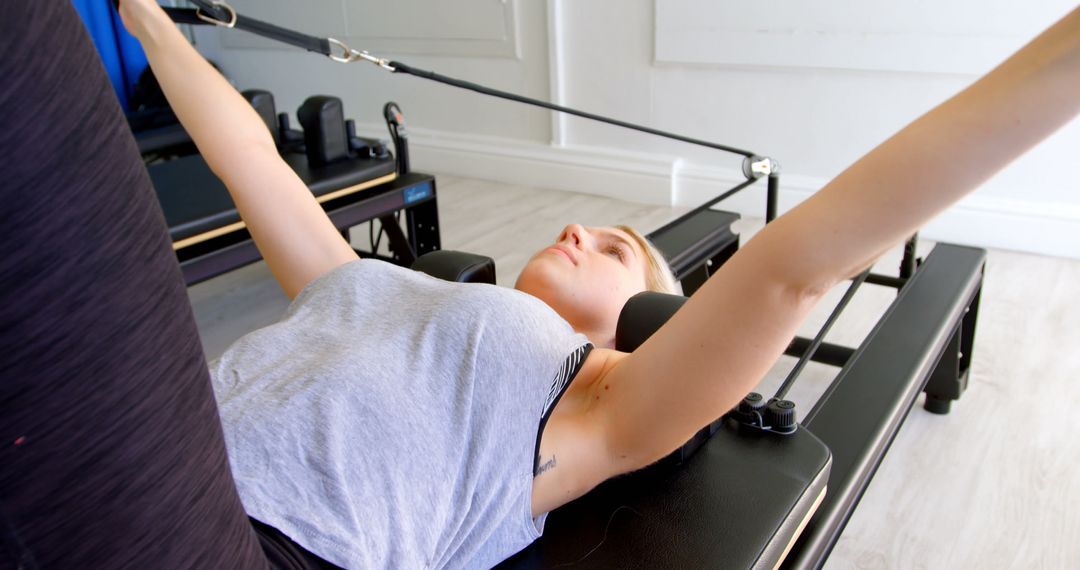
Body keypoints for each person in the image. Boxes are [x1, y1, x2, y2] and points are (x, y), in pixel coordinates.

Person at [2, 0, 1077, 568]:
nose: (580, 229)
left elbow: (801, 264)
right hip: (138, 492)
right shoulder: (358, 284)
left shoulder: (602, 401)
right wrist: (139, 13)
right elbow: (249, 158)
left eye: (615, 248)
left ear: (647, 327)